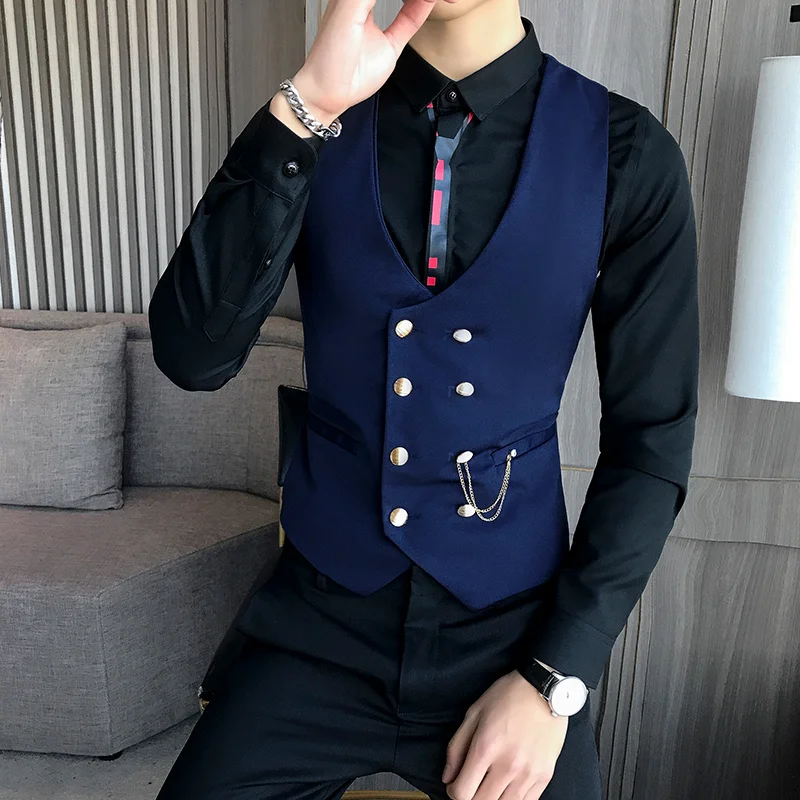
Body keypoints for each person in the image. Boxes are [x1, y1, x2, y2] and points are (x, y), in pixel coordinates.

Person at [148, 0, 699, 798]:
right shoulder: (319, 117)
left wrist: (556, 674)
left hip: (514, 636)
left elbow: (652, 442)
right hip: (319, 618)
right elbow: (192, 357)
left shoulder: (624, 150)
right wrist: (306, 107)